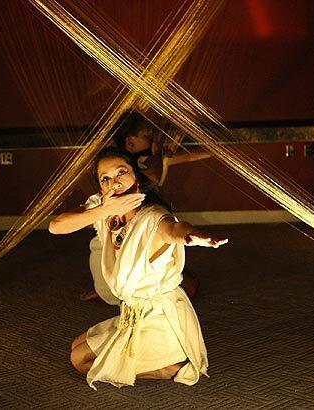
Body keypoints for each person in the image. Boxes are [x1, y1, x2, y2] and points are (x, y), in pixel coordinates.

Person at [49, 147, 227, 389]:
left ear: (136, 177)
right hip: (133, 315)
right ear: (101, 188)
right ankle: (154, 360)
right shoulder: (104, 209)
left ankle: (171, 368)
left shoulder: (152, 217)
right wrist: (105, 209)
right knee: (76, 346)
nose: (114, 182)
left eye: (121, 172)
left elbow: (173, 229)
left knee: (79, 360)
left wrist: (192, 236)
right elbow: (56, 226)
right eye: (105, 178)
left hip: (161, 321)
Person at [80, 111, 211, 303]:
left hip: (150, 224)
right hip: (117, 230)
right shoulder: (130, 165)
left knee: (183, 283)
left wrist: (214, 151)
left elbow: (185, 159)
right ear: (130, 141)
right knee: (110, 269)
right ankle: (106, 291)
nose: (152, 141)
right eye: (147, 136)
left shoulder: (152, 159)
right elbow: (155, 177)